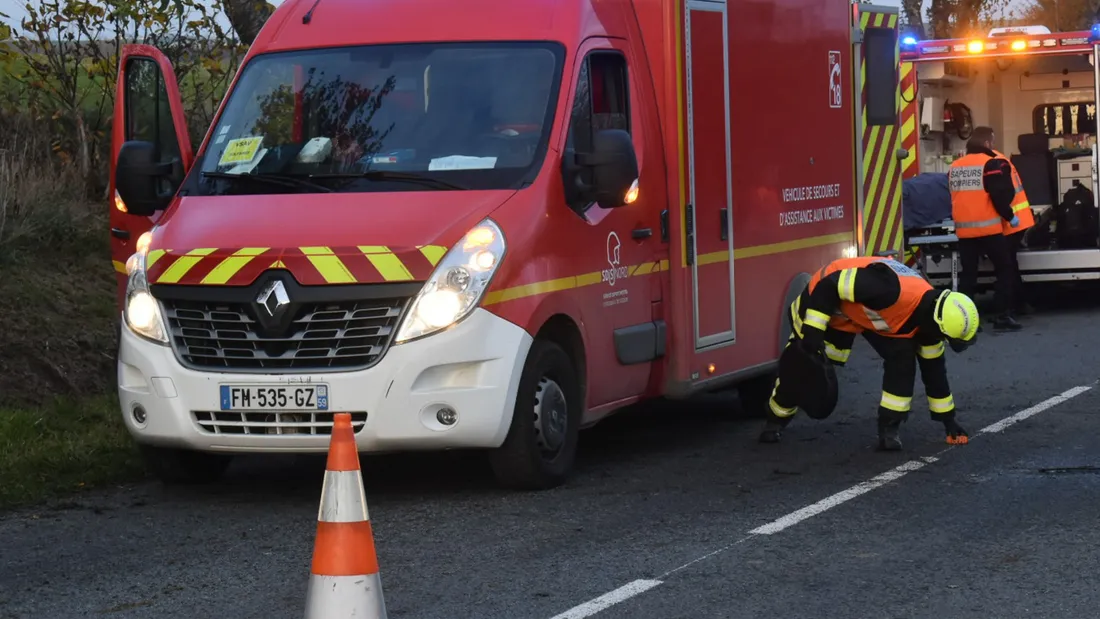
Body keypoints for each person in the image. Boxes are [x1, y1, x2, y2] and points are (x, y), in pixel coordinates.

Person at [759, 255, 979, 451]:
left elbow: (935, 373)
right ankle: (775, 420)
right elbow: (827, 287)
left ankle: (889, 431)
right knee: (803, 366)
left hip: (862, 316)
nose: (943, 341)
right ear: (938, 324)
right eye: (946, 337)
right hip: (822, 303)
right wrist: (813, 333)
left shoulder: (930, 321)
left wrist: (949, 421)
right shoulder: (888, 289)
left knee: (901, 360)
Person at [948, 126, 1023, 331]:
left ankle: (964, 320)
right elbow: (998, 195)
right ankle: (1002, 316)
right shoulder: (989, 164)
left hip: (964, 231)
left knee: (968, 274)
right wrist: (1010, 216)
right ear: (987, 143)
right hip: (989, 229)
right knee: (1004, 270)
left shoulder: (955, 166)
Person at [990, 143, 1037, 316]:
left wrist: (1008, 216)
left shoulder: (993, 163)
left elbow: (1001, 195)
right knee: (1009, 264)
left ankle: (1014, 304)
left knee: (1007, 266)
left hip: (1011, 222)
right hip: (1017, 220)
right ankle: (1019, 303)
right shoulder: (1000, 160)